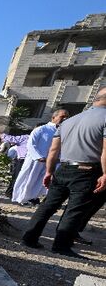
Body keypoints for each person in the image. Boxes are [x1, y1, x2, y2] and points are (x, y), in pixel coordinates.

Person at [21, 88, 106, 257]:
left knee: (47, 206)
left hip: (64, 168)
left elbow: (53, 150)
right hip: (87, 170)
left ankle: (29, 238)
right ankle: (61, 245)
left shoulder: (69, 121)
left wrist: (49, 171)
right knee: (74, 210)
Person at [12, 110, 70, 205]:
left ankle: (34, 198)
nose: (65, 119)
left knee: (41, 181)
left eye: (67, 117)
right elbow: (31, 144)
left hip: (50, 162)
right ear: (53, 117)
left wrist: (58, 159)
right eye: (62, 116)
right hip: (36, 161)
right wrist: (39, 157)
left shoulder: (63, 133)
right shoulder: (41, 129)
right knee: (29, 179)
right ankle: (22, 199)